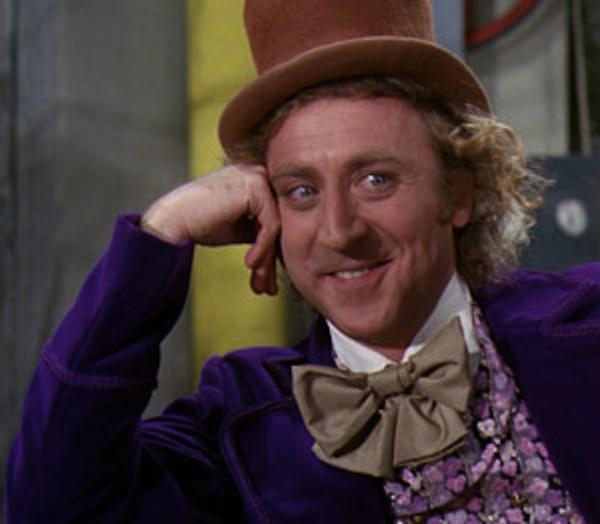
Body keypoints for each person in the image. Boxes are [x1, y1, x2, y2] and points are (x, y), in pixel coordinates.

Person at [5, 0, 600, 522]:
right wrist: (161, 235)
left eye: (375, 180)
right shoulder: (238, 423)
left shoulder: (586, 328)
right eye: (302, 192)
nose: (339, 231)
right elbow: (50, 508)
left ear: (459, 191)